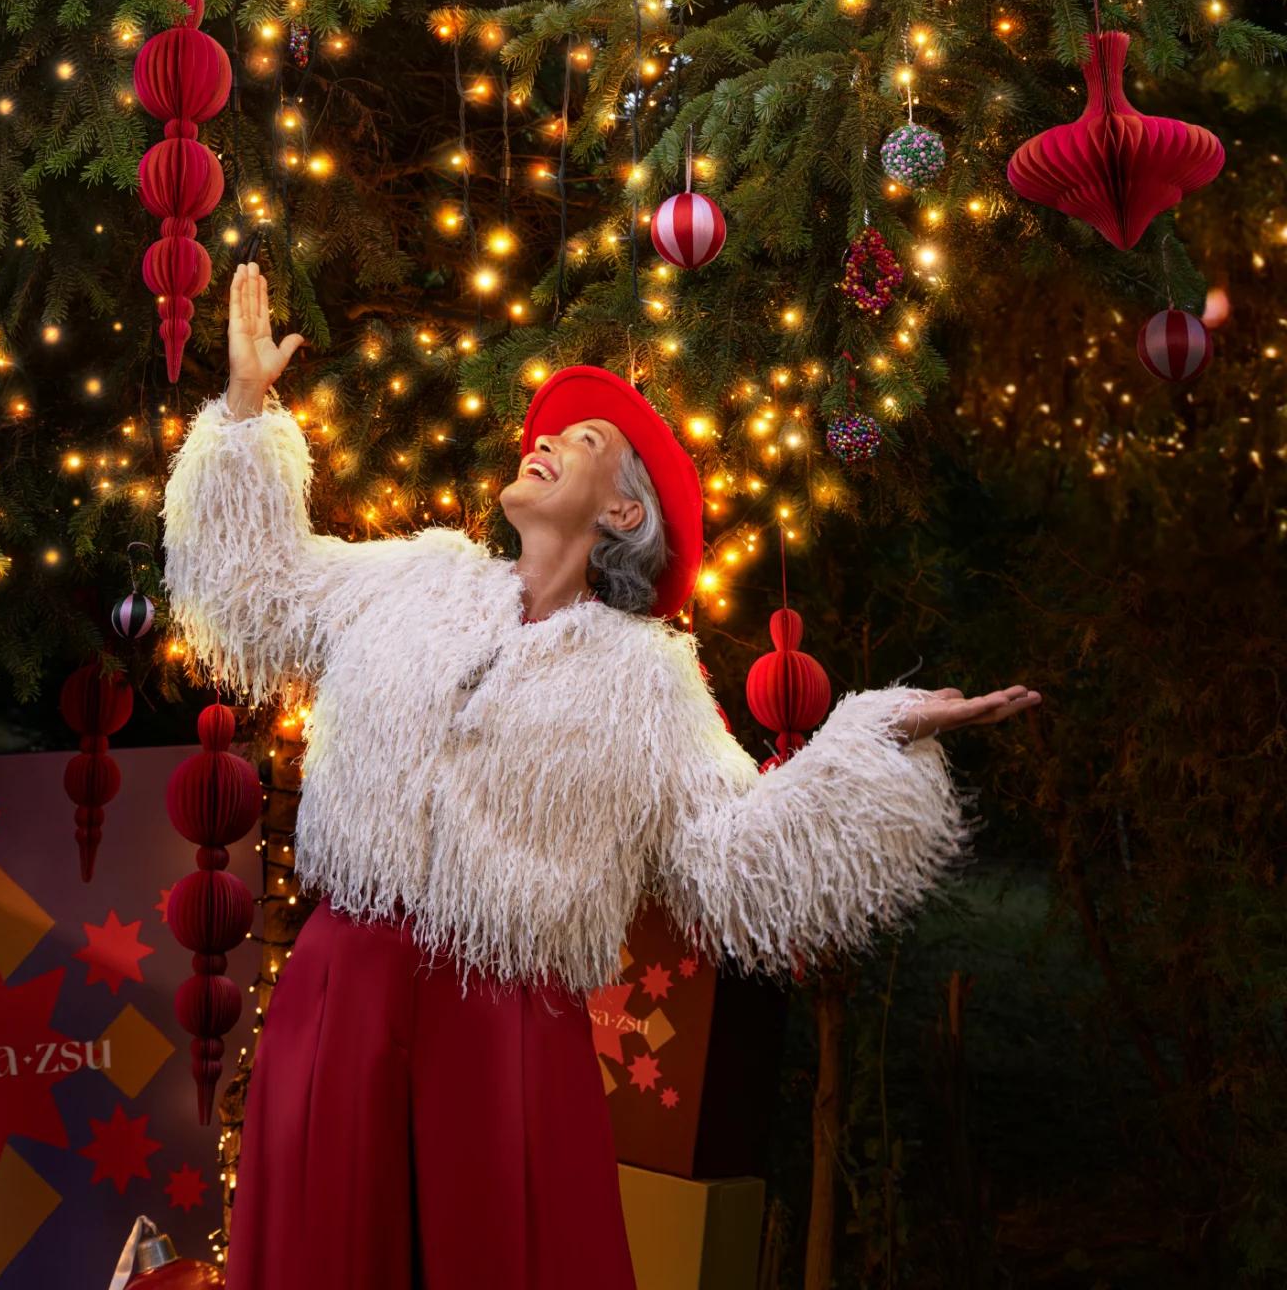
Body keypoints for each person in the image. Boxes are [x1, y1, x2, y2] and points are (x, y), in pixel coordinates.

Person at [162, 263, 1039, 1290]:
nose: (544, 440)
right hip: (340, 989)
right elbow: (255, 590)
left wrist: (877, 734)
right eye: (546, 431)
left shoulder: (646, 681)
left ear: (624, 512)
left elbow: (738, 849)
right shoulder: (412, 578)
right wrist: (247, 412)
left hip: (500, 1028)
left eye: (582, 442)